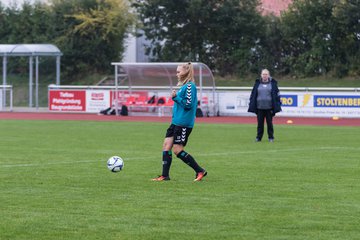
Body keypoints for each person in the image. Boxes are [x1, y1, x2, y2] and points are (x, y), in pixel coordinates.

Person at [152, 62, 207, 182]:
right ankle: (165, 175)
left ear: (186, 72)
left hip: (183, 124)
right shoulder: (184, 86)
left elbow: (188, 104)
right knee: (166, 146)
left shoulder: (189, 87)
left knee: (177, 150)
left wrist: (176, 97)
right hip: (176, 122)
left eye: (179, 71)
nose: (177, 74)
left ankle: (200, 170)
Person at [248, 69, 281, 142]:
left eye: (266, 74)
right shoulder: (257, 84)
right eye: (263, 74)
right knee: (260, 124)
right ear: (261, 75)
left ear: (268, 75)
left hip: (269, 107)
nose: (264, 76)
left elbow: (277, 96)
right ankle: (258, 137)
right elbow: (253, 95)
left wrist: (276, 105)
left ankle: (271, 137)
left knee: (269, 123)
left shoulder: (273, 84)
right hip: (259, 107)